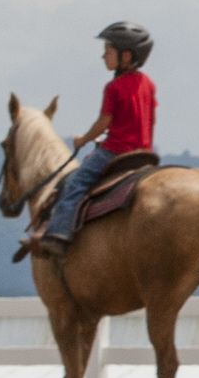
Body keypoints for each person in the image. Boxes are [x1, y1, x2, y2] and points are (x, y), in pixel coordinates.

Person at [36, 21, 160, 256]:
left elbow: (104, 122)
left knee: (75, 183)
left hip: (115, 151)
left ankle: (58, 233)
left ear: (126, 56)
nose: (103, 56)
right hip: (144, 153)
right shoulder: (148, 83)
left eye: (108, 51)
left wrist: (83, 140)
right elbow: (150, 118)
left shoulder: (113, 87)